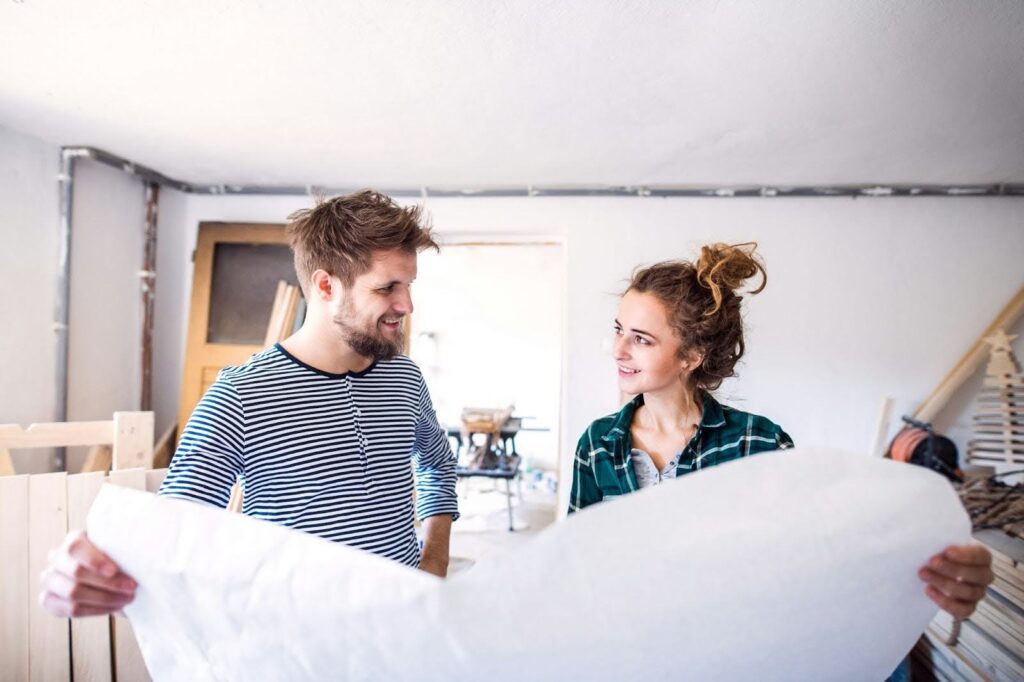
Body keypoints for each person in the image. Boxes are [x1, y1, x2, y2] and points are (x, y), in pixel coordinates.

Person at [569, 243, 994, 678]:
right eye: (619, 329)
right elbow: (575, 561)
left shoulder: (759, 442)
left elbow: (814, 559)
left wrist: (934, 566)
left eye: (640, 339)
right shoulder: (599, 443)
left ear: (691, 357)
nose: (617, 349)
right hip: (629, 655)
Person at [39, 190, 460, 618]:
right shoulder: (241, 395)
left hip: (406, 620)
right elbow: (172, 525)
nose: (406, 305)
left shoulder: (404, 377)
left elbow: (438, 465)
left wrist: (435, 560)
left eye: (407, 286)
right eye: (387, 287)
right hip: (300, 639)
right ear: (326, 285)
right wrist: (83, 570)